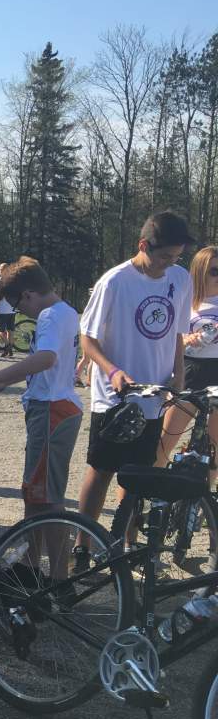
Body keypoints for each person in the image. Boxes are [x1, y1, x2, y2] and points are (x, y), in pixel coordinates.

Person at [78, 211, 195, 563]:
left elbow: (177, 332)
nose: (170, 264)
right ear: (143, 245)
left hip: (155, 396)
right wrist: (112, 370)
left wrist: (178, 374)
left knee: (137, 476)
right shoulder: (114, 282)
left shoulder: (180, 278)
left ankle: (125, 547)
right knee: (101, 470)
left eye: (176, 257)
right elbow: (87, 338)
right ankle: (82, 545)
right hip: (116, 397)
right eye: (164, 256)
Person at [0, 256, 81, 579]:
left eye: (18, 305)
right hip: (49, 407)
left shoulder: (49, 316)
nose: (20, 312)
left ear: (29, 293)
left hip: (52, 410)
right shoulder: (65, 312)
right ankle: (29, 566)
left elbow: (46, 358)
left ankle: (60, 580)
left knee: (49, 502)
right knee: (35, 494)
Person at [156, 246, 218, 502]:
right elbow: (167, 334)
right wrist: (185, 339)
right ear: (201, 271)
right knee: (165, 440)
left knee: (214, 446)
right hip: (190, 369)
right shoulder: (185, 299)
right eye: (215, 271)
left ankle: (202, 499)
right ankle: (152, 491)